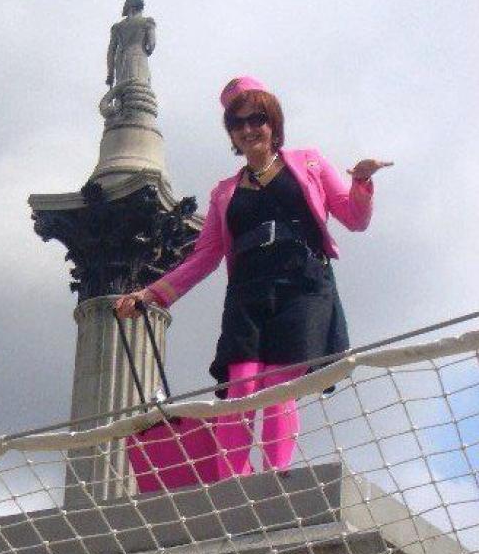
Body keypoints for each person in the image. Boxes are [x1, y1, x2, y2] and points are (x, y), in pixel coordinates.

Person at [115, 75, 392, 475]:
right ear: (231, 132)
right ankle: (234, 486)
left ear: (272, 123)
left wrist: (361, 182)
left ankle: (276, 476)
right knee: (240, 387)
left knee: (279, 384)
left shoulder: (309, 162)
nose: (248, 129)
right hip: (247, 290)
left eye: (256, 119)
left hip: (303, 282)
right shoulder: (224, 192)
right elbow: (205, 256)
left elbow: (353, 218)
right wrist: (151, 294)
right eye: (238, 123)